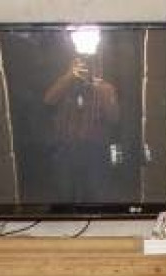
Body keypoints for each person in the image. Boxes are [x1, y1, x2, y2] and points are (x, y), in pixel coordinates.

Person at [43, 55, 122, 205]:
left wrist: (101, 89)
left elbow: (114, 118)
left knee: (93, 197)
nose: (86, 69)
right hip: (66, 147)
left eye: (90, 65)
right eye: (81, 65)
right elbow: (48, 100)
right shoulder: (65, 85)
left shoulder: (105, 88)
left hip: (94, 150)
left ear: (98, 67)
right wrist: (69, 77)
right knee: (65, 195)